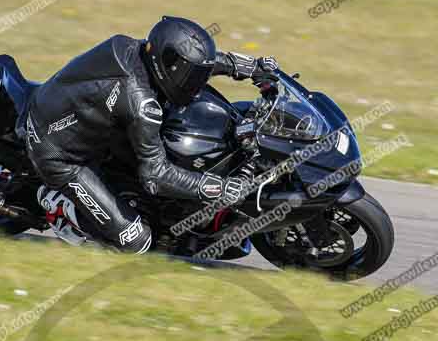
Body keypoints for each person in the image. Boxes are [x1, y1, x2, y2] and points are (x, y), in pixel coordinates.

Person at [25, 16, 279, 253]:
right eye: (191, 79)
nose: (196, 85)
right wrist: (220, 188)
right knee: (136, 240)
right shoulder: (142, 105)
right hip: (60, 155)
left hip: (75, 120)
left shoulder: (136, 50)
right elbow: (156, 177)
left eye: (197, 77)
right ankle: (58, 203)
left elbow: (190, 64)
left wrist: (249, 67)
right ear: (166, 67)